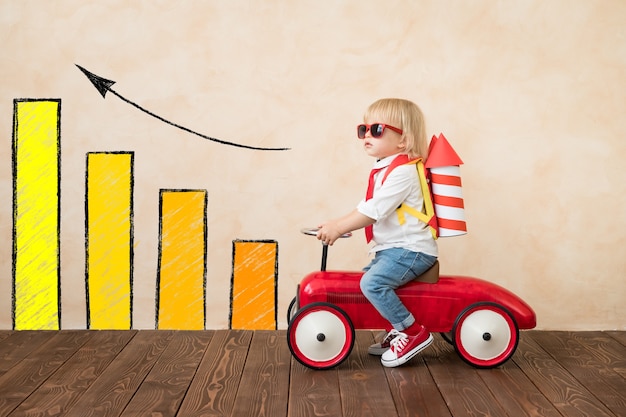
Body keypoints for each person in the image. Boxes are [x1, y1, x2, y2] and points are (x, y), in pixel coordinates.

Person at [316, 98, 438, 368]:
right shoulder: (385, 168)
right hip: (394, 248)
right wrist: (335, 223)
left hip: (411, 249)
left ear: (403, 140)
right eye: (363, 129)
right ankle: (398, 328)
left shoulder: (404, 172)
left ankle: (412, 332)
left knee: (373, 284)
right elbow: (367, 207)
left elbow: (374, 211)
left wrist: (339, 227)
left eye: (377, 130)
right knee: (368, 280)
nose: (366, 136)